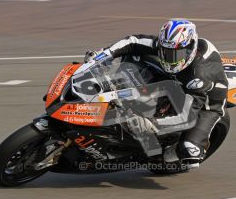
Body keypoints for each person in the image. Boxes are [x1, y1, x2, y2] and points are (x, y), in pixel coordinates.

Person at [84, 19, 228, 167]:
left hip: (206, 105)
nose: (168, 58)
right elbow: (133, 41)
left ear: (190, 50)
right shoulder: (169, 44)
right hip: (177, 79)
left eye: (175, 55)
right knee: (136, 55)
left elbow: (186, 117)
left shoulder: (199, 75)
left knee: (190, 151)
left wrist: (151, 124)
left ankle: (164, 157)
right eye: (165, 52)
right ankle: (122, 94)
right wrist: (102, 56)